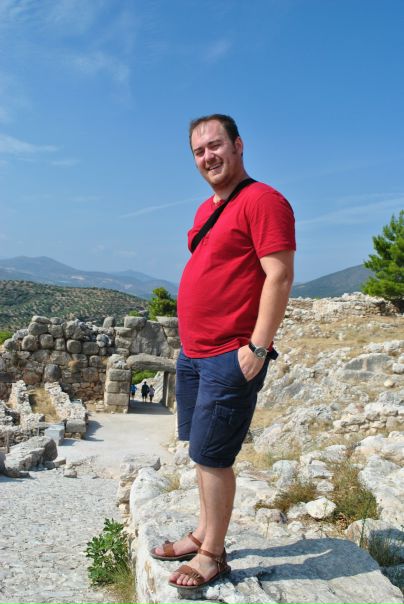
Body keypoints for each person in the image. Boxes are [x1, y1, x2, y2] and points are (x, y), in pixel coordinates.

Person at [151, 114, 295, 590]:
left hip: (230, 353)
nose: (208, 156)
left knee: (215, 457)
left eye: (215, 145)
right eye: (199, 151)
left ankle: (212, 554)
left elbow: (279, 275)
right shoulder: (206, 208)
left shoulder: (263, 200)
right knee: (201, 452)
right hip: (194, 353)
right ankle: (201, 532)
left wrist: (258, 348)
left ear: (238, 145)